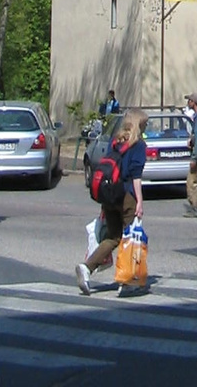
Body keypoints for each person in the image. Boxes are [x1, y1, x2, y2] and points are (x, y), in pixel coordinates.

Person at [77, 107, 147, 294]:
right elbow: (136, 176)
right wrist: (139, 202)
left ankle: (87, 267)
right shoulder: (138, 145)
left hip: (109, 195)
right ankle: (127, 281)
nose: (146, 127)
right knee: (131, 238)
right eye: (145, 124)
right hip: (127, 196)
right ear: (139, 125)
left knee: (114, 237)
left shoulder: (115, 142)